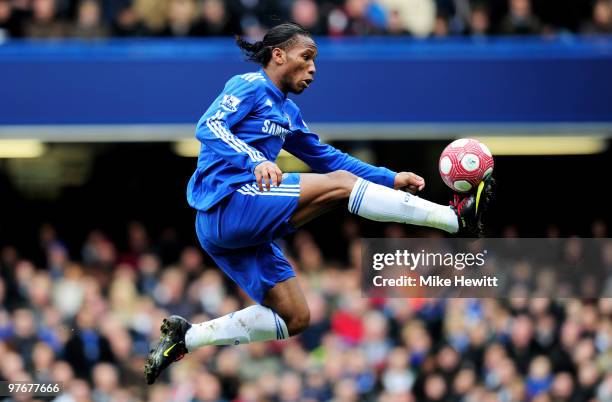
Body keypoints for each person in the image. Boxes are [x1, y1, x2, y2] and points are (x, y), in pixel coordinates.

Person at [144, 22, 494, 384]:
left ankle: (187, 337)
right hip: (227, 202)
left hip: (234, 231)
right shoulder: (248, 85)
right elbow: (209, 125)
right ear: (278, 55)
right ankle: (453, 220)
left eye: (316, 61)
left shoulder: (288, 113)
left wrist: (389, 177)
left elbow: (329, 159)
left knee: (295, 319)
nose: (313, 68)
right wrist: (256, 160)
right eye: (306, 57)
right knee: (340, 187)